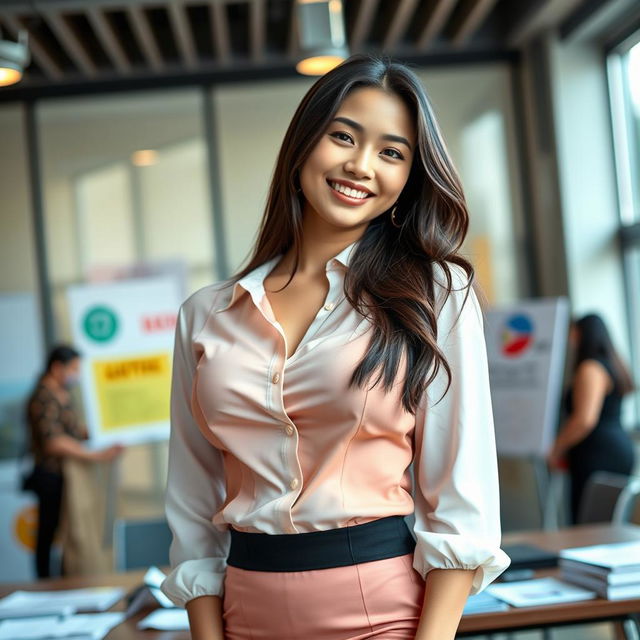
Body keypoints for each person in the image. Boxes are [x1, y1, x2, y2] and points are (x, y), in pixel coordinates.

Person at [160, 54, 510, 640]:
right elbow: (194, 501)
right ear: (302, 144)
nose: (360, 165)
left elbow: (461, 499)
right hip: (243, 614)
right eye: (342, 136)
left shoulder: (436, 293)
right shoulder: (205, 314)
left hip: (382, 613)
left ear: (409, 178)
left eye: (392, 152)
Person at [25, 344, 123, 578]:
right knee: (48, 531)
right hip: (50, 474)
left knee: (69, 532)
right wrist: (95, 455)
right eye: (73, 369)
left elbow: (74, 432)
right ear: (57, 367)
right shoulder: (43, 396)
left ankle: (65, 578)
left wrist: (105, 433)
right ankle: (45, 583)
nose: (76, 375)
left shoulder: (63, 394)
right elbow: (54, 441)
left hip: (67, 475)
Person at [547, 313, 636, 523]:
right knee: (610, 522)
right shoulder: (613, 364)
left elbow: (584, 420)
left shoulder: (590, 368)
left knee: (591, 524)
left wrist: (556, 448)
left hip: (598, 453)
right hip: (616, 447)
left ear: (581, 334)